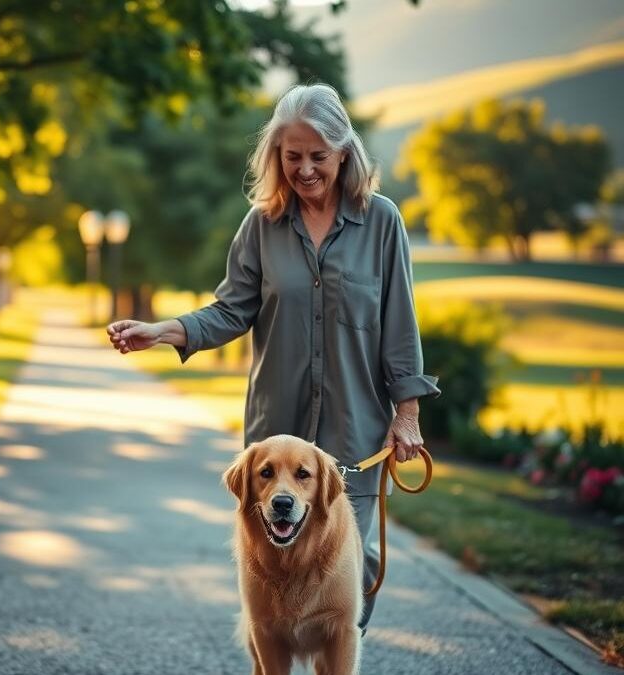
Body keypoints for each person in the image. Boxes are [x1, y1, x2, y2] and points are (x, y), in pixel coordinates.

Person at [106, 82, 440, 635]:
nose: (304, 169)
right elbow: (232, 309)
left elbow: (400, 327)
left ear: (344, 152)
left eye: (318, 156)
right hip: (273, 446)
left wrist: (407, 415)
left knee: (351, 584)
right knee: (273, 589)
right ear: (275, 157)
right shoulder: (262, 225)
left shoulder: (381, 222)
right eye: (291, 157)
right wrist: (167, 330)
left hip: (353, 438)